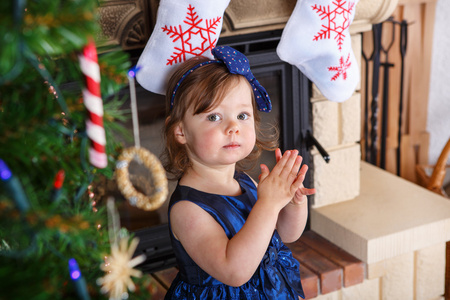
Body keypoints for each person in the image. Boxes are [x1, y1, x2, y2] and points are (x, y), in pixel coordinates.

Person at [161, 46, 316, 299]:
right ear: (180, 131)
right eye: (214, 117)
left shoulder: (245, 182)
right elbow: (235, 272)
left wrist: (293, 203)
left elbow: (286, 234)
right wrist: (268, 204)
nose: (233, 127)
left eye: (242, 115)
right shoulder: (187, 210)